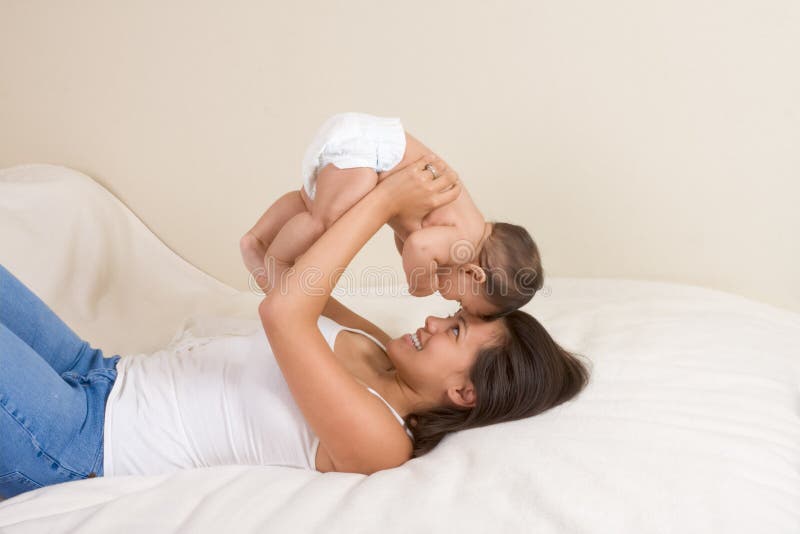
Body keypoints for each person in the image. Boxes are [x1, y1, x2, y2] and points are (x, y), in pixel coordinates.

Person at [0, 154, 589, 500]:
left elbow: (284, 316)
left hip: (81, 440)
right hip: (100, 372)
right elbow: (290, 289)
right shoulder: (375, 346)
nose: (434, 320)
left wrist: (386, 201)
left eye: (455, 332)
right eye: (454, 316)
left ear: (465, 392)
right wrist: (373, 203)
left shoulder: (382, 441)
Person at [240, 112, 545, 319]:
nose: (449, 299)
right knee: (325, 223)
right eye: (460, 300)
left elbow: (407, 238)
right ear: (475, 275)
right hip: (371, 152)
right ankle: (275, 262)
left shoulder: (466, 227)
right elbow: (418, 247)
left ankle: (256, 239)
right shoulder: (464, 238)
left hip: (366, 143)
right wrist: (421, 284)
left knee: (311, 204)